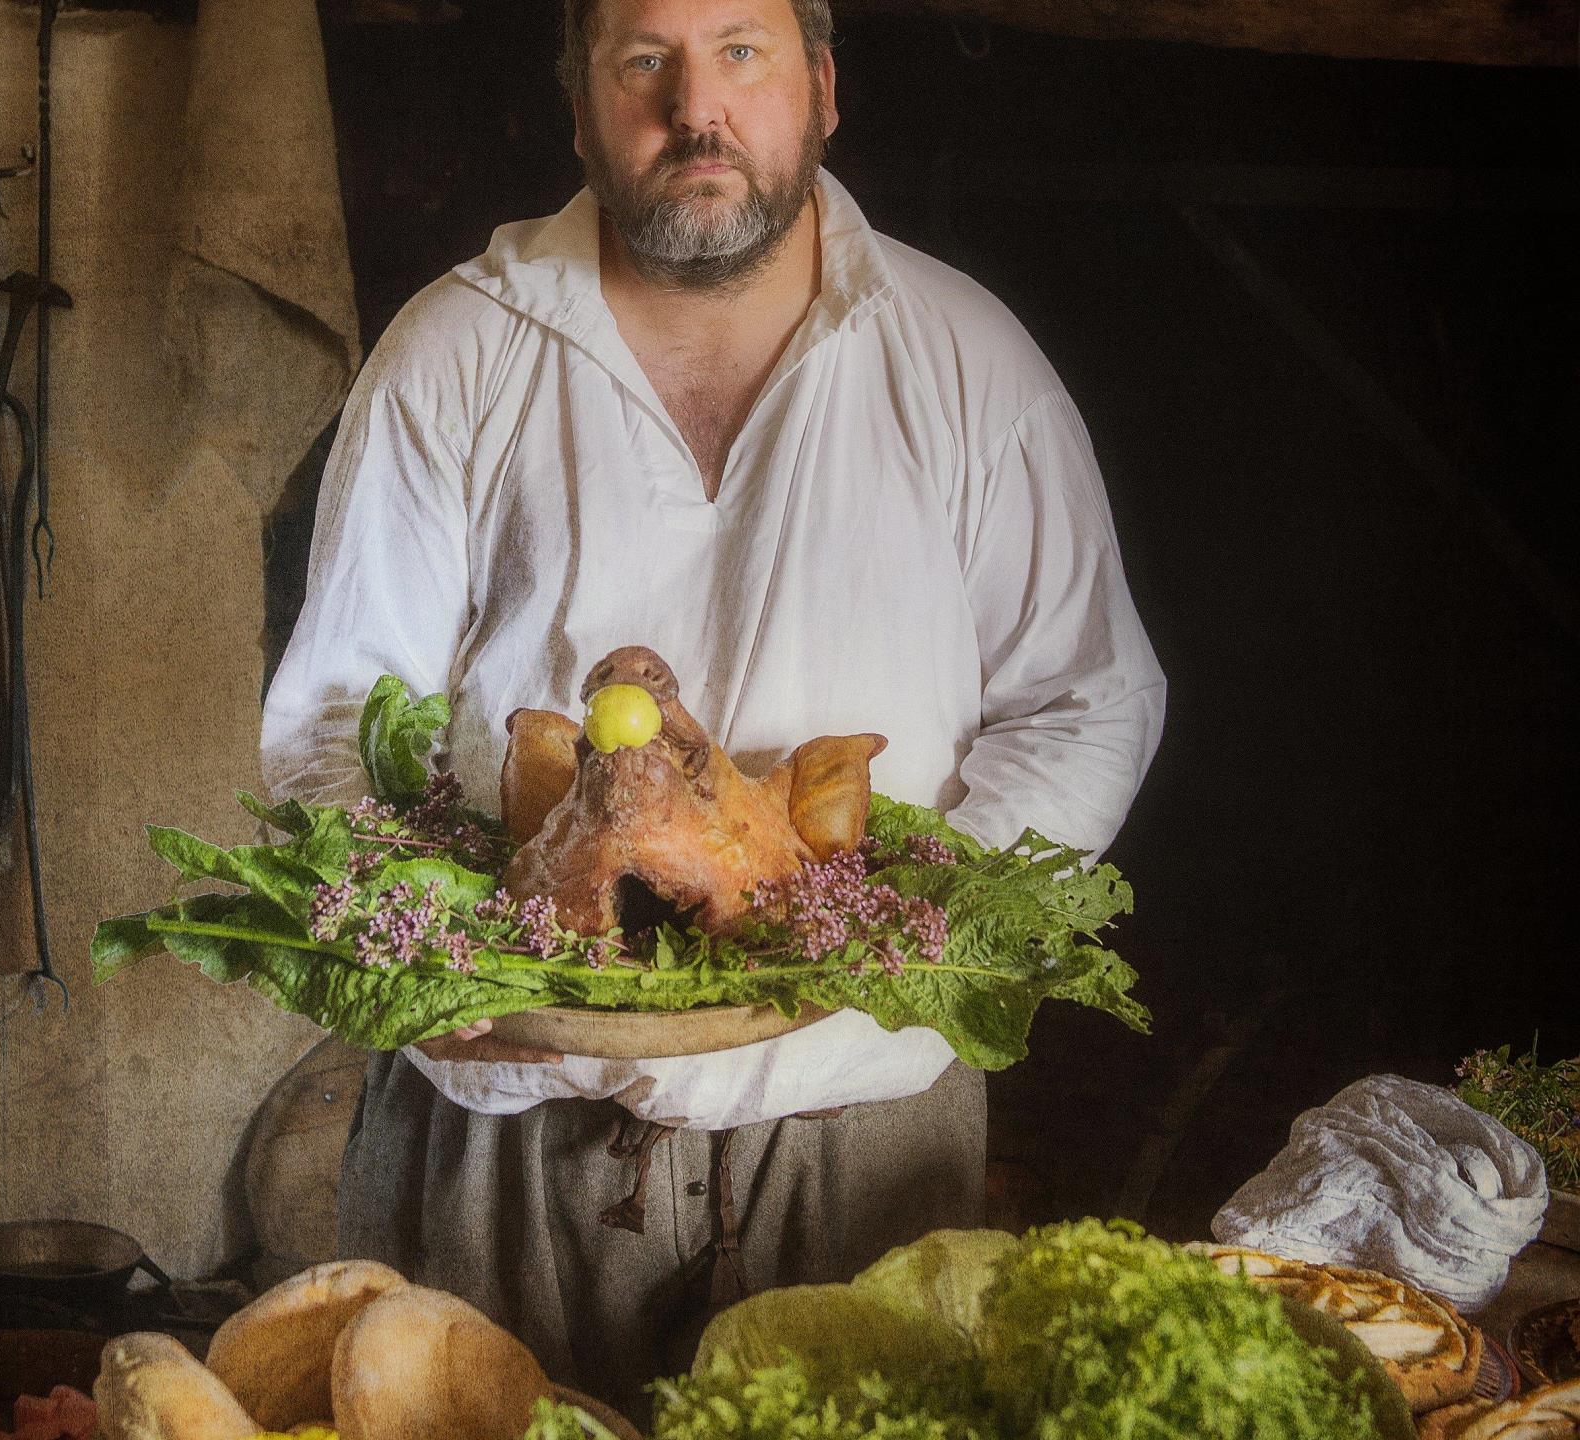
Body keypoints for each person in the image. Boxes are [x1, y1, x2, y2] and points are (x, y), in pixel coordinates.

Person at [260, 0, 1165, 1412]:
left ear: (821, 86)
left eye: (741, 50)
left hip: (860, 1123)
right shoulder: (455, 352)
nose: (698, 106)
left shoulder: (967, 361)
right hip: (509, 1122)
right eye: (644, 61)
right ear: (578, 106)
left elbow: (1088, 697)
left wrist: (913, 920)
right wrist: (420, 952)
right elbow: (331, 717)